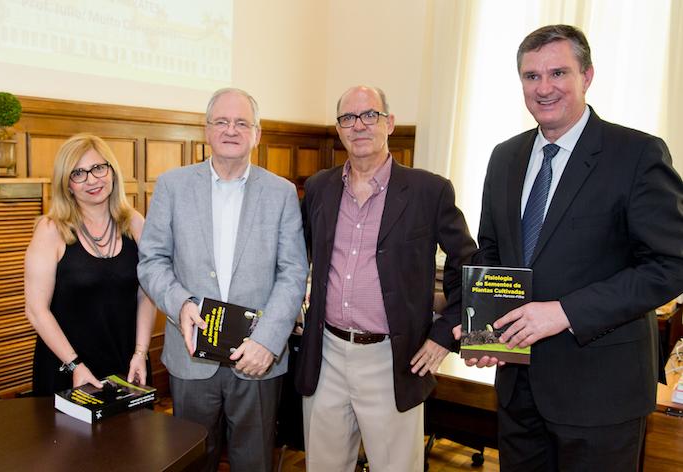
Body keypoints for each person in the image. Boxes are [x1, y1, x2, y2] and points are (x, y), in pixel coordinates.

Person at [469, 24, 683, 471]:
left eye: (558, 73)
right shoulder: (504, 157)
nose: (544, 88)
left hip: (601, 393)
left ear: (587, 76)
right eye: (531, 76)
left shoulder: (636, 154)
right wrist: (487, 330)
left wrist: (565, 311)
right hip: (518, 388)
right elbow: (491, 251)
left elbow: (671, 264)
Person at [295, 85, 477, 472]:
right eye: (348, 118)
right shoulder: (319, 188)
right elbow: (297, 257)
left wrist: (445, 334)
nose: (359, 125)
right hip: (325, 355)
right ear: (339, 128)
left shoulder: (430, 191)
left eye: (370, 115)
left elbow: (469, 266)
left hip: (392, 360)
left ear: (389, 123)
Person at [137, 88, 308, 472]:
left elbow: (294, 271)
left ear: (257, 134)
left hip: (258, 357)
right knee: (193, 460)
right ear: (207, 130)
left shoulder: (281, 193)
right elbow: (151, 261)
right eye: (222, 122)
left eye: (242, 123)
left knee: (254, 461)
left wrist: (267, 341)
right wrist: (180, 302)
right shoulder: (172, 186)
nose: (231, 130)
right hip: (191, 354)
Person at [25, 133, 156, 395]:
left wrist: (141, 352)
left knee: (133, 436)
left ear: (112, 171)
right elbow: (36, 310)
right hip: (67, 365)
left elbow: (147, 295)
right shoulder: (51, 230)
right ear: (67, 184)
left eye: (98, 168)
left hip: (128, 362)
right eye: (78, 173)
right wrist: (74, 365)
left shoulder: (135, 223)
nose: (92, 180)